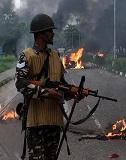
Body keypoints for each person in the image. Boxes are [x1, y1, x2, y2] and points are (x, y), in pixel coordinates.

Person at [15, 13, 88, 160]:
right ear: (41, 34)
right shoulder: (26, 55)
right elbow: (21, 83)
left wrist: (73, 93)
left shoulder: (55, 56)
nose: (53, 33)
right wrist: (46, 93)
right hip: (35, 123)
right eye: (50, 31)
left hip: (54, 122)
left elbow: (61, 84)